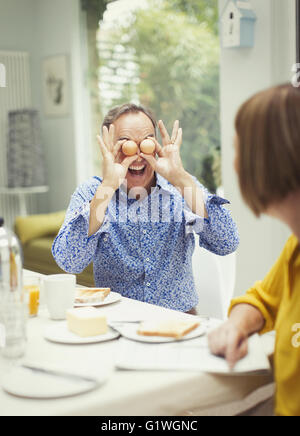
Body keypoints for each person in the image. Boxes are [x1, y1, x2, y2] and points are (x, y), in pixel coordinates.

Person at [52, 103, 239, 313]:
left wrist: (180, 177)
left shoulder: (180, 188)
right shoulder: (93, 192)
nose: (138, 156)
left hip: (178, 322)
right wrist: (107, 189)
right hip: (117, 323)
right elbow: (69, 262)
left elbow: (227, 242)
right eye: (125, 145)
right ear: (108, 148)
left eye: (146, 143)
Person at [208, 84, 300, 416]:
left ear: (268, 159)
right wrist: (236, 325)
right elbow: (262, 300)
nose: (233, 165)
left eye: (237, 150)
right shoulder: (295, 246)